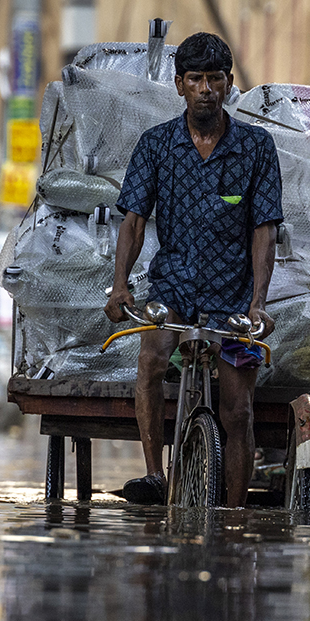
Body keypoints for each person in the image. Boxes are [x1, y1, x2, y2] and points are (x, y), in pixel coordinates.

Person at [105, 32, 283, 507]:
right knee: (151, 359)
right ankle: (154, 473)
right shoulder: (157, 145)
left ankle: (235, 511)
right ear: (180, 84)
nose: (206, 88)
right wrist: (120, 286)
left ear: (228, 85)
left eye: (215, 79)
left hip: (233, 295)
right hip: (174, 286)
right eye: (196, 79)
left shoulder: (256, 146)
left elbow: (265, 230)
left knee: (238, 410)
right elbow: (134, 220)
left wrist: (258, 303)